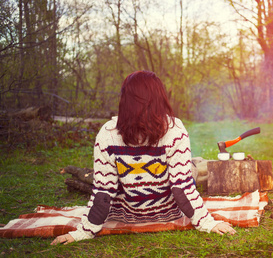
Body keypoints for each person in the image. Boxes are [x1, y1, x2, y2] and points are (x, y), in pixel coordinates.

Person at [51, 71, 235, 245]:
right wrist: (207, 223)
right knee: (191, 168)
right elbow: (182, 187)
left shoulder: (107, 133)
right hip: (167, 213)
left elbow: (103, 190)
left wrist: (84, 231)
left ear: (125, 100)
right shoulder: (175, 128)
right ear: (159, 98)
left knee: (191, 166)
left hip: (124, 214)